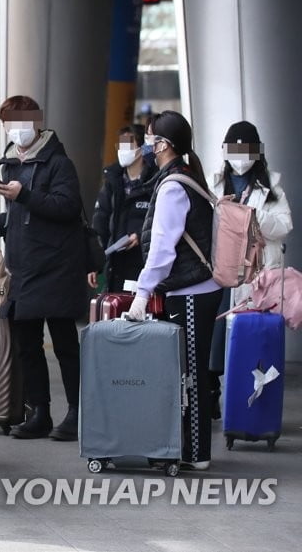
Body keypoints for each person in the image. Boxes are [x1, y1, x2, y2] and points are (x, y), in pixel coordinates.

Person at [0, 96, 85, 442]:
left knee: (65, 342)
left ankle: (77, 410)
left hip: (55, 265)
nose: (16, 128)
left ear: (37, 122)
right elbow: (17, 217)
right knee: (27, 344)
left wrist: (23, 195)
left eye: (21, 121)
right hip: (22, 267)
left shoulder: (58, 163)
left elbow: (67, 207)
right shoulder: (11, 162)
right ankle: (37, 410)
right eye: (9, 122)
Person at [127, 110, 223, 470]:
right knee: (190, 372)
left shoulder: (172, 186)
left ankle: (196, 454)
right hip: (196, 288)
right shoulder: (185, 176)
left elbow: (163, 248)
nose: (148, 145)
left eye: (152, 138)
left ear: (164, 145)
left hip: (192, 291)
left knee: (192, 374)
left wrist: (142, 291)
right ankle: (190, 449)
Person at [208, 121, 293, 414]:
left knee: (252, 340)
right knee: (215, 336)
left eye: (247, 149)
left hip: (258, 275)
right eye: (234, 149)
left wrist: (252, 218)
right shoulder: (215, 183)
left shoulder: (271, 186)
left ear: (257, 152)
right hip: (222, 270)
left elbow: (285, 225)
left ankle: (251, 404)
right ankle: (213, 395)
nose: (240, 156)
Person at [89, 124, 157, 293]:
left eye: (128, 145)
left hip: (144, 265)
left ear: (142, 149)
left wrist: (141, 236)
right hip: (115, 265)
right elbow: (100, 223)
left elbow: (163, 222)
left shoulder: (155, 181)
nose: (122, 150)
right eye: (120, 145)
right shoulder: (113, 181)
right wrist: (94, 262)